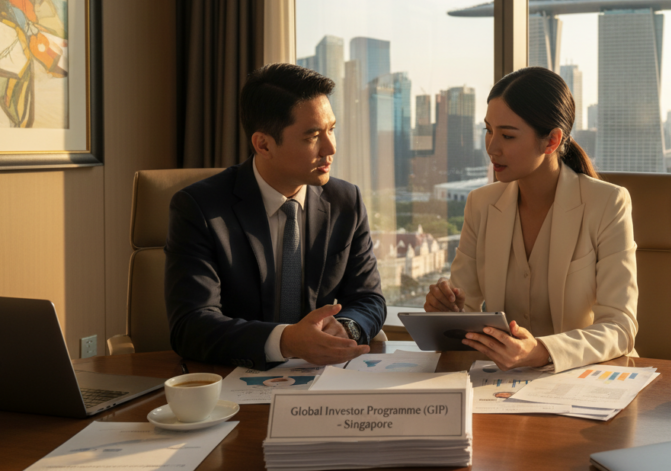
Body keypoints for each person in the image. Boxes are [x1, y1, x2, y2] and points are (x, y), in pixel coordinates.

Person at [165, 63, 386, 369]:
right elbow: (190, 325)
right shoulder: (200, 208)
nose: (330, 147)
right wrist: (286, 341)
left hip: (324, 380)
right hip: (234, 379)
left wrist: (345, 327)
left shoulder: (345, 202)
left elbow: (369, 300)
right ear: (264, 144)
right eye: (312, 137)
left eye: (331, 129)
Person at [424, 67, 638, 372]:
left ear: (551, 141)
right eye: (488, 130)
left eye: (507, 135)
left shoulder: (607, 204)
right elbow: (465, 309)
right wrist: (446, 312)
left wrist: (540, 351)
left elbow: (620, 327)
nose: (491, 147)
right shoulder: (481, 204)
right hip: (502, 385)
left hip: (587, 381)